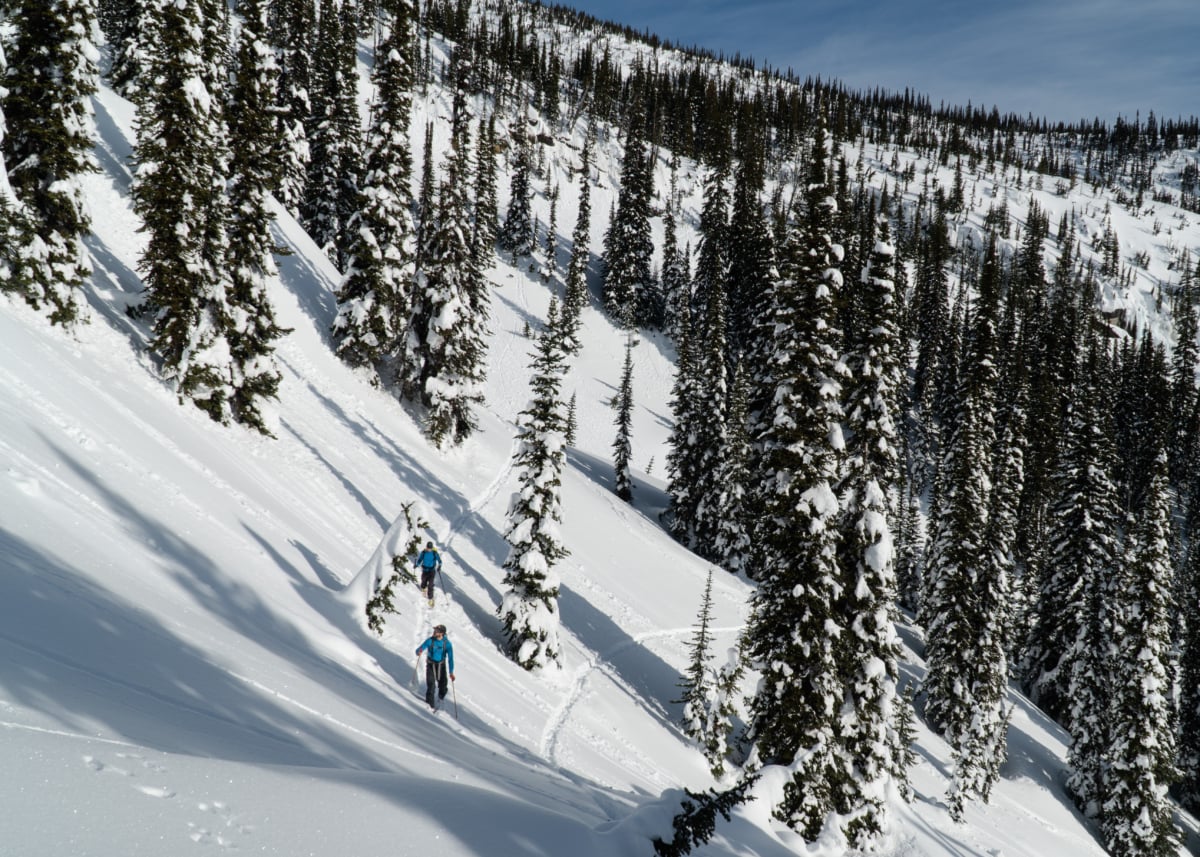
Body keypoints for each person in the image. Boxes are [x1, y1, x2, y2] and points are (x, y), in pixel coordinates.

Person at [415, 624, 455, 709]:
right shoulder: (430, 641)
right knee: (431, 685)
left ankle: (440, 698)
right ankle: (429, 706)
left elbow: (451, 659)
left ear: (442, 633)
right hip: (430, 665)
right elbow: (419, 649)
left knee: (443, 686)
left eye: (436, 631)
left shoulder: (447, 644)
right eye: (435, 630)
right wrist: (419, 651)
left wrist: (451, 672)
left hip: (441, 666)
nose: (434, 632)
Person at [413, 540, 442, 605]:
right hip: (425, 570)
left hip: (432, 571)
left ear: (432, 548)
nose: (429, 549)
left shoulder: (434, 553)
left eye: (430, 548)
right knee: (423, 580)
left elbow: (439, 560)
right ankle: (423, 587)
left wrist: (439, 566)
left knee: (430, 584)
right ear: (426, 547)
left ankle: (430, 598)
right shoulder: (423, 552)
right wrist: (416, 565)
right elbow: (420, 559)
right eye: (428, 548)